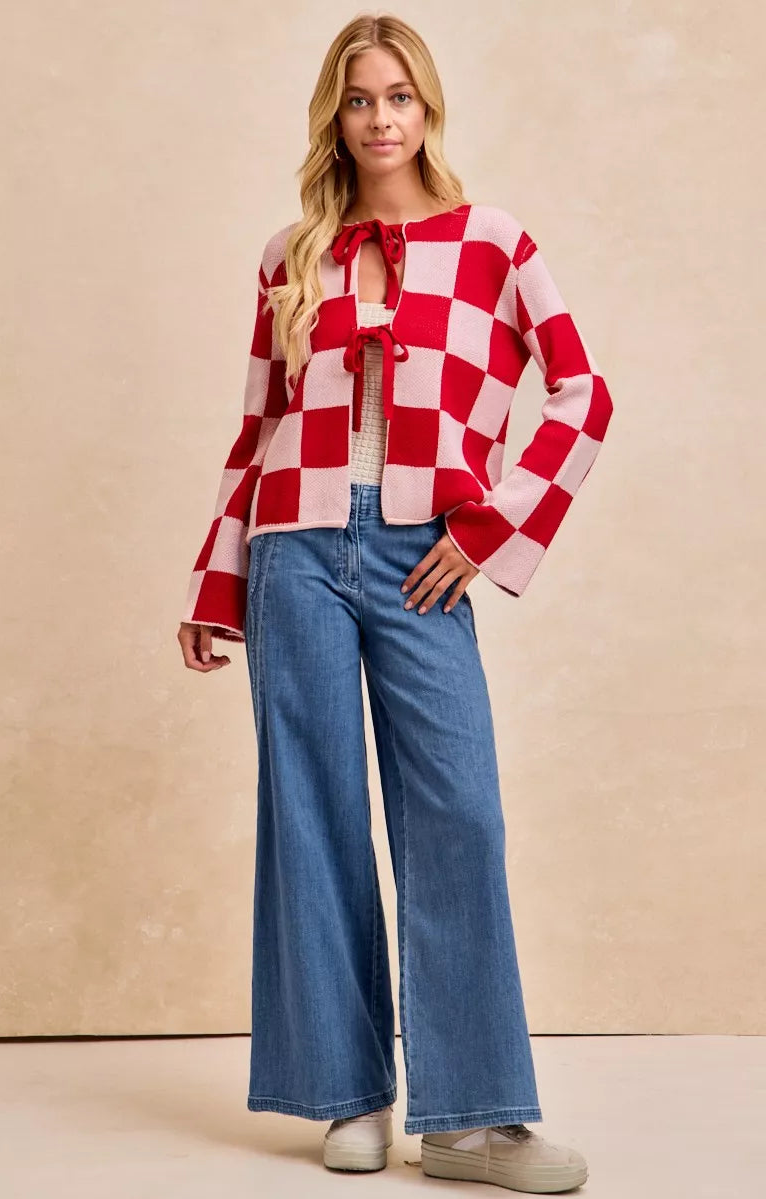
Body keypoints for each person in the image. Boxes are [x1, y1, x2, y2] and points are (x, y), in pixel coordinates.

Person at [177, 13, 612, 1193]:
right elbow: (256, 425)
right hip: (294, 550)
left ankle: (471, 1117)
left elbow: (581, 394)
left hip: (423, 545)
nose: (380, 119)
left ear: (429, 110)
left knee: (455, 811)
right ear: (336, 115)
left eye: (400, 97)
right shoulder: (291, 254)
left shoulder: (492, 242)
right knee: (310, 818)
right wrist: (216, 578)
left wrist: (482, 528)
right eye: (359, 100)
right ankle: (345, 1093)